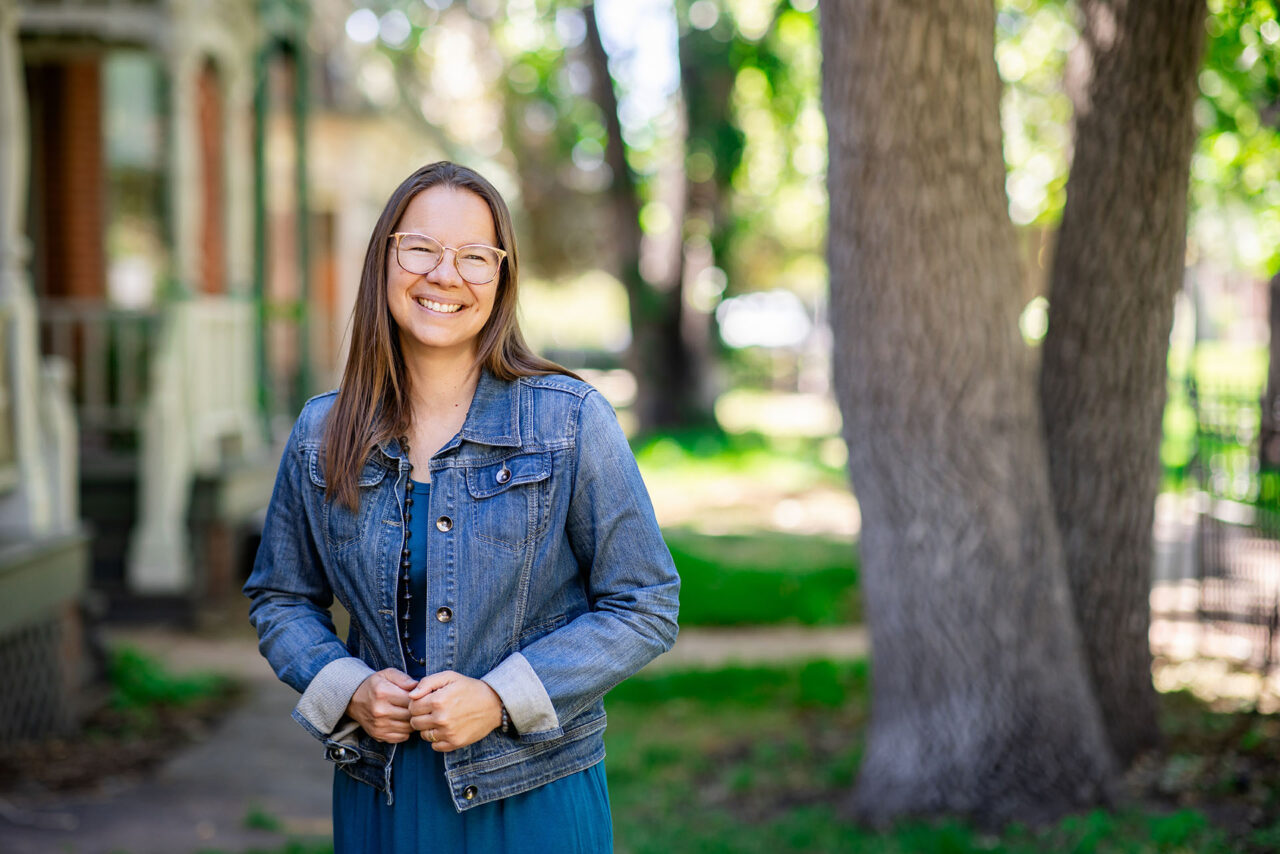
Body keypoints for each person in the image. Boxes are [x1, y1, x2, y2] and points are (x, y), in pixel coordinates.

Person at [243, 161, 680, 852]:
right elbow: (279, 596)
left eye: (475, 256)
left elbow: (644, 603)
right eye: (420, 247)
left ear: (501, 279)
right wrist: (344, 686)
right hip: (380, 793)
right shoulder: (322, 436)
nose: (445, 275)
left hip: (533, 794)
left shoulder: (568, 422)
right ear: (384, 258)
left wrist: (503, 696)